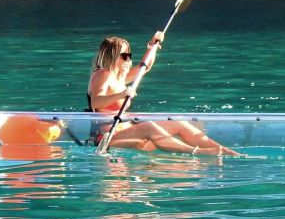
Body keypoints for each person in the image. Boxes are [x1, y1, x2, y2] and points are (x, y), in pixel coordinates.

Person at [87, 32, 239, 156]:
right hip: (108, 138)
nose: (128, 59)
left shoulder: (119, 78)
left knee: (177, 122)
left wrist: (152, 46)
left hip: (128, 132)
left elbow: (143, 68)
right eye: (124, 55)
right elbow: (96, 102)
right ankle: (202, 153)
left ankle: (224, 151)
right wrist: (122, 94)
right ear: (111, 56)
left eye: (129, 55)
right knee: (148, 126)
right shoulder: (103, 73)